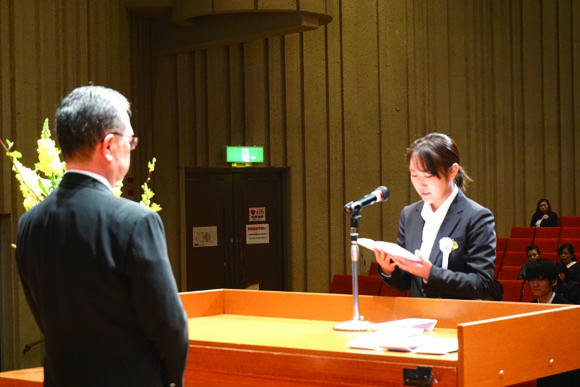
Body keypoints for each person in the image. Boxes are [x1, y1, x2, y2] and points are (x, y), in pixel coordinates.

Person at [15, 86, 189, 387]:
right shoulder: (135, 222)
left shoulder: (30, 223)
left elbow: (43, 316)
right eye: (130, 140)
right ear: (109, 145)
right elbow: (169, 327)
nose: (131, 148)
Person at [375, 133, 496, 299]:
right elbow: (404, 283)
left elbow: (482, 284)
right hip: (418, 317)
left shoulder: (476, 216)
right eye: (414, 175)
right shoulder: (410, 214)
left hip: (457, 319)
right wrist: (388, 269)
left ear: (452, 171)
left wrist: (430, 274)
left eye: (429, 175)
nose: (420, 184)